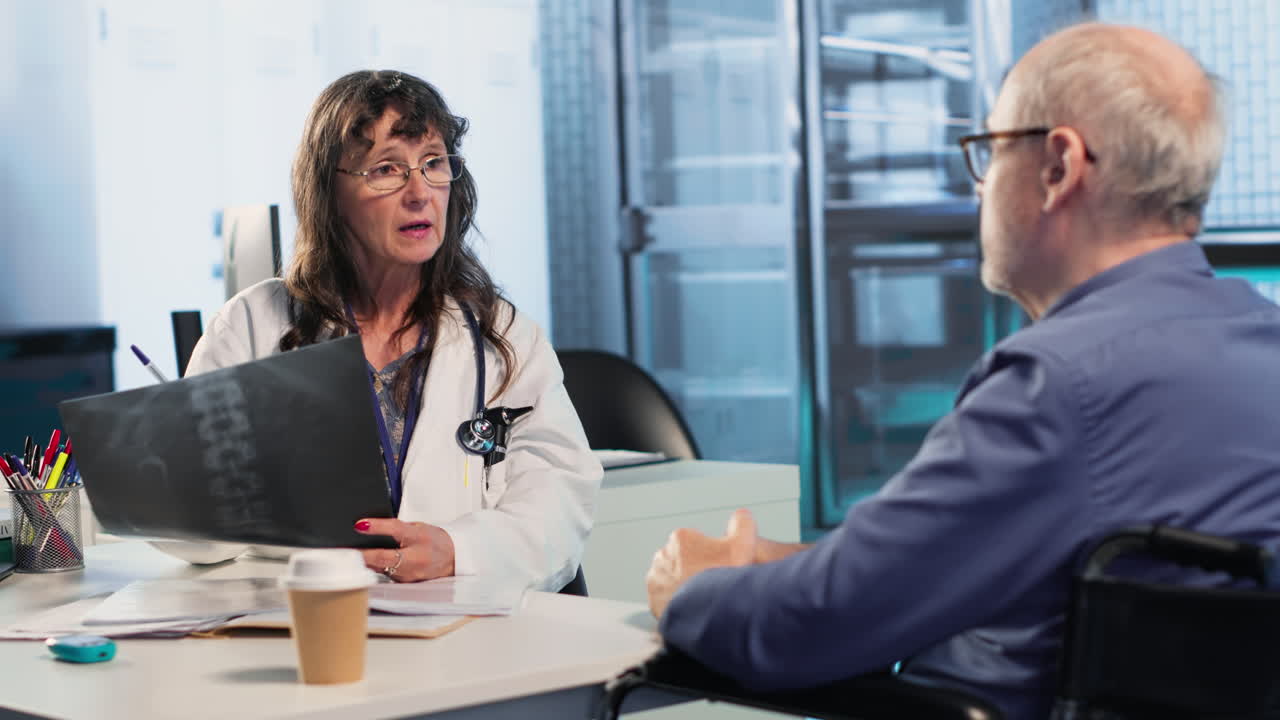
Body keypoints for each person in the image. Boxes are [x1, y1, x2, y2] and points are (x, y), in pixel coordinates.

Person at [644, 22, 1280, 717]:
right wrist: (805, 562)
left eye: (990, 151)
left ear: (1058, 167)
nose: (979, 191)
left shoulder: (1058, 387)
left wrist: (696, 587)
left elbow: (802, 629)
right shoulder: (1259, 342)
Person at [153, 70, 601, 593]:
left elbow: (561, 504)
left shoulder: (501, 336)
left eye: (433, 163)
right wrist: (236, 478)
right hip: (309, 626)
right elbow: (186, 532)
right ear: (328, 193)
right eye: (386, 169)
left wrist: (460, 550)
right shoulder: (256, 325)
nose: (420, 193)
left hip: (468, 638)